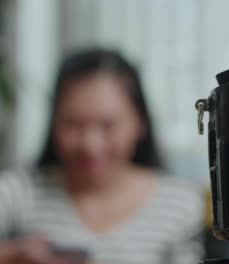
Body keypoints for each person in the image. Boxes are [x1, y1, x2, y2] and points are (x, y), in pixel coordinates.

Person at [0, 49, 204, 264]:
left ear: (140, 122)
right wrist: (11, 256)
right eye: (73, 124)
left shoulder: (180, 204)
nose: (91, 145)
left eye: (108, 125)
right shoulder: (18, 192)